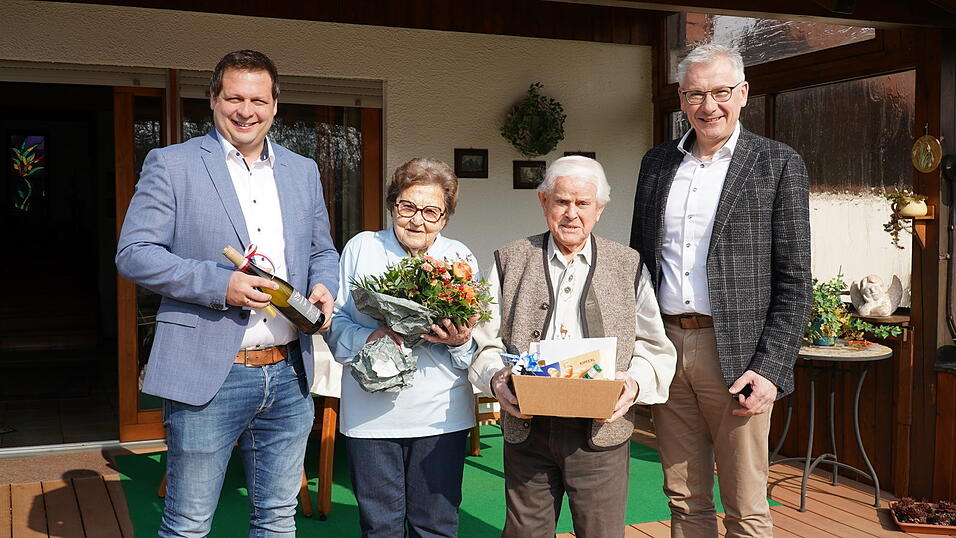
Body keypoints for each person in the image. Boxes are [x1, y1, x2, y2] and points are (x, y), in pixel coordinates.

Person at [115, 50, 338, 537]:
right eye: (234, 97)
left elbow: (323, 250)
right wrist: (223, 284)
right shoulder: (172, 164)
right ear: (213, 100)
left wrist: (324, 285)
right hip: (207, 375)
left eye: (258, 99)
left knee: (278, 518)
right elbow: (134, 253)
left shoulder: (303, 171)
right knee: (189, 522)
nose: (246, 110)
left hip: (288, 372)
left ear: (275, 105)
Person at [629, 43, 812, 537]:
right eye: (695, 94)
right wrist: (636, 348)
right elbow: (639, 264)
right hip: (666, 346)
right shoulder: (657, 163)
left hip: (737, 358)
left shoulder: (777, 164)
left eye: (720, 92)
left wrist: (770, 368)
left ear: (744, 93)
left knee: (746, 505)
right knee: (684, 499)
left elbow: (795, 280)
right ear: (682, 99)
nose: (708, 106)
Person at [470, 155, 677, 537]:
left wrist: (632, 385)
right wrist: (496, 379)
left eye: (583, 204)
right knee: (524, 533)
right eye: (562, 201)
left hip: (601, 431)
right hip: (528, 428)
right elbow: (482, 342)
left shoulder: (628, 264)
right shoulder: (508, 259)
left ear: (599, 209)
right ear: (543, 202)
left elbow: (654, 346)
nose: (571, 214)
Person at [327, 158, 479, 537]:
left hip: (441, 412)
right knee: (380, 526)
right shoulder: (362, 248)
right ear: (393, 205)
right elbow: (336, 323)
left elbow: (477, 344)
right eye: (407, 207)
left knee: (437, 525)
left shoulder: (459, 259)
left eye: (431, 212)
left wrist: (460, 342)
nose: (417, 220)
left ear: (445, 218)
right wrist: (370, 338)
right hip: (370, 413)